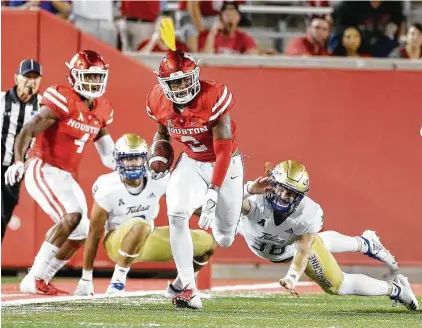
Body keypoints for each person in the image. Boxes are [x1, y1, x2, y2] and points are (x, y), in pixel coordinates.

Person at [237, 160, 419, 311]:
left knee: (338, 285)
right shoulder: (254, 200)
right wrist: (248, 191)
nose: (285, 196)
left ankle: (395, 289)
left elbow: (303, 250)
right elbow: (228, 204)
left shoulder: (307, 213)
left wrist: (292, 277)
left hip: (290, 250)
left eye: (292, 193)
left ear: (300, 196)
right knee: (317, 241)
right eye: (282, 188)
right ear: (272, 184)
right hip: (276, 243)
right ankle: (364, 243)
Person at [5, 50, 116, 295]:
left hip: (65, 175)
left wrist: (131, 162)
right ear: (75, 76)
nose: (94, 82)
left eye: (98, 77)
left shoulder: (102, 108)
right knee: (72, 215)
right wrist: (18, 161)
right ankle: (33, 278)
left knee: (81, 232)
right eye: (89, 76)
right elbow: (27, 130)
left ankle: (42, 278)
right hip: (42, 167)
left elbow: (109, 156)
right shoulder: (63, 98)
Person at [145, 50, 243, 309]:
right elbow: (162, 133)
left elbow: (222, 150)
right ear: (163, 84)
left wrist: (213, 190)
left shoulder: (214, 95)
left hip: (225, 163)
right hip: (190, 161)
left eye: (185, 79)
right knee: (176, 214)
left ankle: (237, 204)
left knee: (224, 238)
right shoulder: (157, 100)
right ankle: (188, 288)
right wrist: (158, 150)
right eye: (175, 82)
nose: (181, 86)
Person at [73, 133, 216, 296]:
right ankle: (117, 283)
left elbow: (182, 204)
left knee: (208, 243)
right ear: (118, 160)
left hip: (148, 238)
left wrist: (210, 212)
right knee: (141, 226)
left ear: (146, 159)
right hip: (116, 243)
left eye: (137, 158)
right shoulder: (108, 186)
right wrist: (86, 278)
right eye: (127, 158)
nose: (133, 163)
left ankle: (179, 286)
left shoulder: (157, 179)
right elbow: (94, 233)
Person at [1, 59, 43, 242]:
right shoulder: (1, 100)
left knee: (4, 218)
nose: (31, 82)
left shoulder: (43, 106)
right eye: (27, 77)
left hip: (16, 173)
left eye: (35, 78)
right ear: (16, 78)